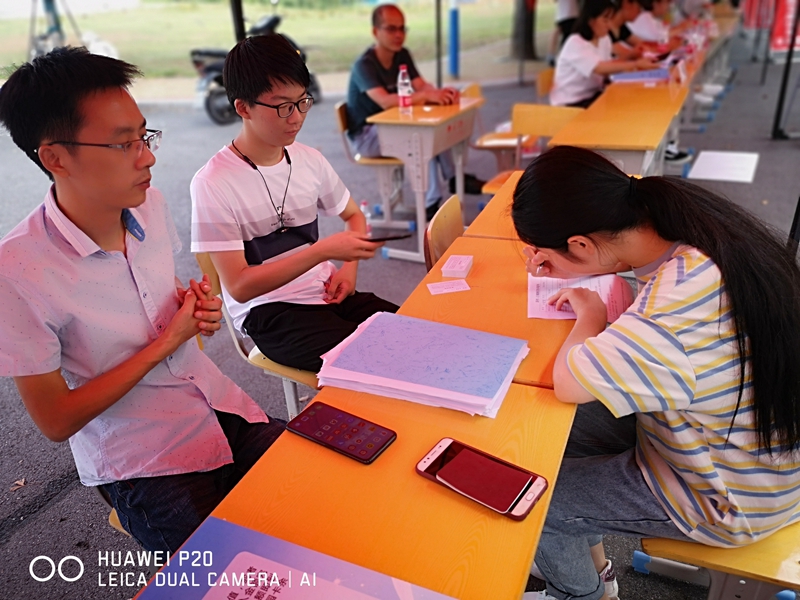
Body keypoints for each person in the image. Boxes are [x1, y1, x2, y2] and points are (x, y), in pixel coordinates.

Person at [0, 47, 286, 553]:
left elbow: (155, 287)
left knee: (327, 492)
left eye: (144, 135)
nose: (148, 156)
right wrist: (167, 341)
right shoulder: (18, 271)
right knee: (230, 572)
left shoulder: (146, 201)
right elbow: (56, 420)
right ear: (55, 158)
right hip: (144, 459)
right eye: (123, 144)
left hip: (213, 404)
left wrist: (188, 303)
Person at [515, 146, 800, 600]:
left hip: (727, 494)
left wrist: (589, 314)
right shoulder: (694, 233)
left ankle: (580, 594)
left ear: (582, 244)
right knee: (544, 432)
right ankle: (597, 571)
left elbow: (570, 383)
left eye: (545, 259)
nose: (543, 270)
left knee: (533, 497)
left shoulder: (672, 310)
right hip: (756, 449)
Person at [191, 34, 398, 373]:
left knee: (412, 334)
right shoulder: (213, 182)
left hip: (326, 292)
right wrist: (321, 251)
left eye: (303, 101)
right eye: (283, 106)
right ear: (243, 107)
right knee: (375, 364)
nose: (297, 117)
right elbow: (240, 287)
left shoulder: (309, 159)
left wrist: (349, 270)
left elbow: (354, 217)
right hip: (271, 312)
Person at [346, 3, 485, 220]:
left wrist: (440, 94)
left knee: (433, 128)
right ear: (376, 32)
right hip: (367, 136)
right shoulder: (364, 65)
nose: (399, 34)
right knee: (420, 137)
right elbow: (385, 102)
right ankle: (432, 201)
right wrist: (425, 97)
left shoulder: (402, 55)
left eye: (402, 28)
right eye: (391, 29)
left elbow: (421, 85)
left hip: (396, 127)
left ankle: (449, 183)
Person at [551, 0, 657, 108]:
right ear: (591, 21)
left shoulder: (604, 40)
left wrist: (633, 70)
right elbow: (600, 68)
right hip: (571, 102)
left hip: (593, 95)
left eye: (610, 20)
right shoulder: (575, 43)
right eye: (605, 20)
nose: (609, 26)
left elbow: (608, 67)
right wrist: (635, 64)